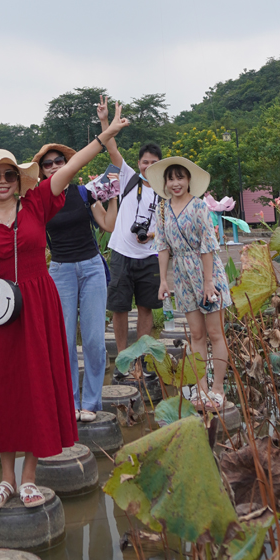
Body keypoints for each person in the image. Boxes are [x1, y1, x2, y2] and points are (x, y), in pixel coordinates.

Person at [0, 103, 128, 512]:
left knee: (36, 384)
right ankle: (5, 479)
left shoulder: (37, 202)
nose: (3, 181)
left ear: (19, 179)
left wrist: (105, 136)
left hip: (38, 303)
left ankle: (29, 478)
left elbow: (71, 168)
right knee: (3, 389)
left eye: (9, 175)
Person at [33, 143, 117, 423]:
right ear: (41, 171)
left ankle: (91, 402)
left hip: (91, 267)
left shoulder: (84, 192)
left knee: (94, 340)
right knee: (64, 341)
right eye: (47, 164)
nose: (54, 166)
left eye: (59, 161)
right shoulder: (40, 199)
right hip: (61, 271)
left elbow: (108, 224)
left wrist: (113, 196)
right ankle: (70, 403)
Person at [146, 155, 232, 409]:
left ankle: (218, 389)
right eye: (171, 179)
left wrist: (208, 282)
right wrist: (163, 280)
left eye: (180, 178)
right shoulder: (163, 209)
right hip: (183, 276)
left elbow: (208, 246)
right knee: (196, 334)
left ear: (188, 180)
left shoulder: (199, 207)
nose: (176, 183)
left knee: (215, 333)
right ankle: (201, 389)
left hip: (207, 272)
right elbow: (162, 247)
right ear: (165, 183)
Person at [96, 97, 163, 378]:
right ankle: (124, 361)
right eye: (145, 162)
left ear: (161, 165)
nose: (148, 166)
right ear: (138, 163)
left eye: (154, 163)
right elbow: (111, 148)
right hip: (122, 253)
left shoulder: (167, 190)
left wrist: (152, 234)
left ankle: (141, 360)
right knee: (120, 308)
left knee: (146, 308)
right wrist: (105, 121)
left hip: (150, 256)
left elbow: (169, 226)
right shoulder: (129, 177)